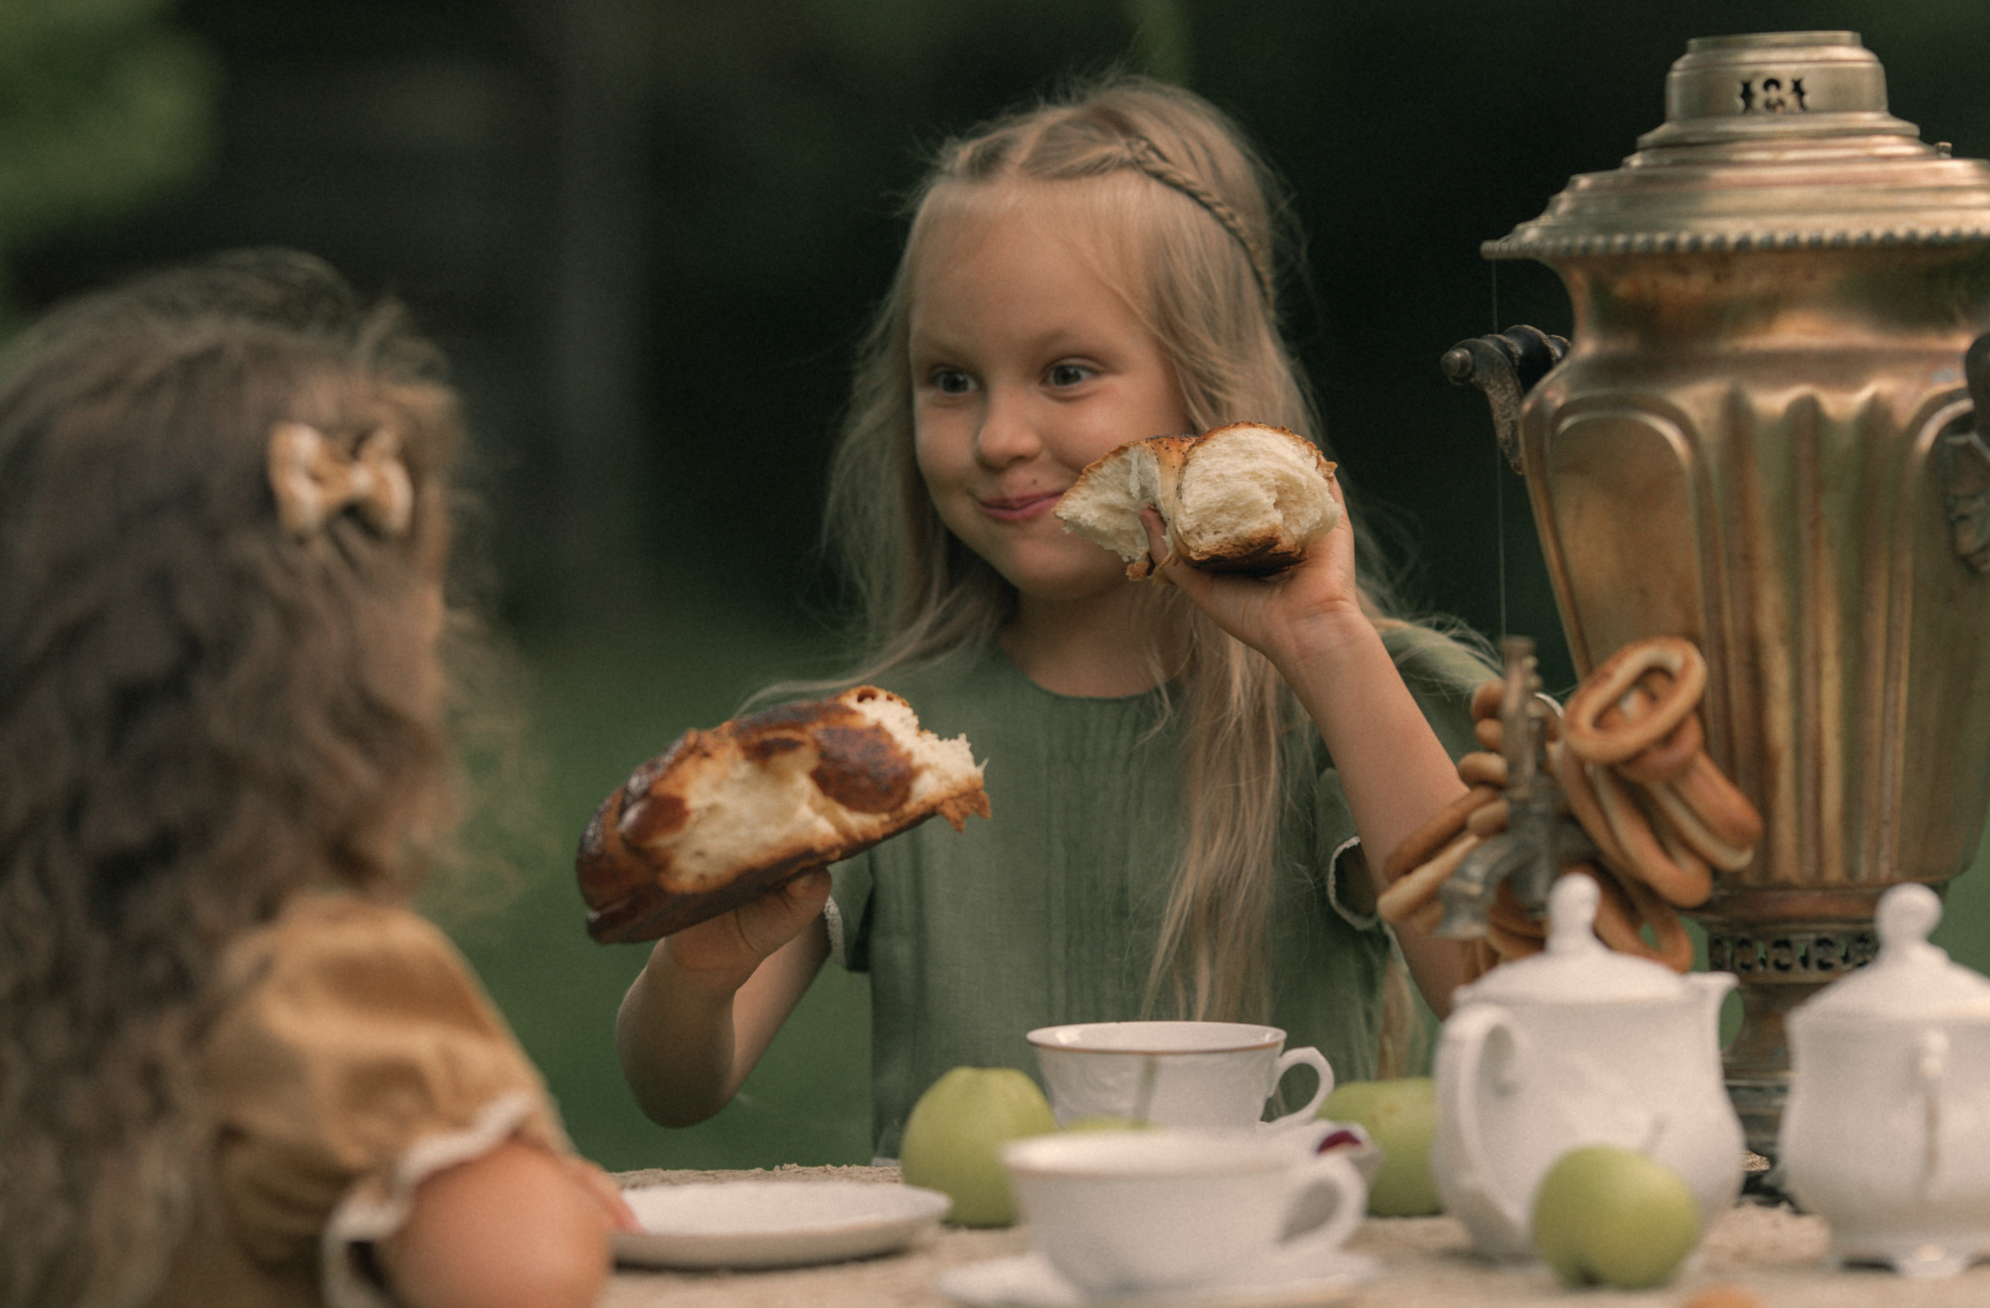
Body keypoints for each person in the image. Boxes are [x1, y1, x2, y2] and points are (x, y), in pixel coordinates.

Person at [614, 79, 1497, 1158]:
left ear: (1208, 395)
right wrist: (694, 970)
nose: (996, 435)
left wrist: (1325, 639)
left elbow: (1501, 997)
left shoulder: (1344, 706)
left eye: (1066, 372)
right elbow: (677, 1087)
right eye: (949, 379)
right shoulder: (866, 750)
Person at [0, 253, 630, 1308]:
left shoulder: (4, 978)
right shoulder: (325, 990)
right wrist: (542, 1194)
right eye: (426, 637)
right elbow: (517, 1274)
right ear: (336, 690)